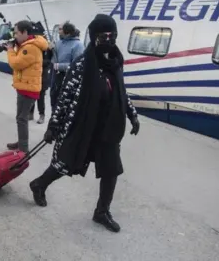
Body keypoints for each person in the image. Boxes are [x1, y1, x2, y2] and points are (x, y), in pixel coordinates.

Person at [29, 14, 140, 233]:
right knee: (65, 163)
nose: (109, 39)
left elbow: (121, 92)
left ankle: (101, 212)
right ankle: (39, 184)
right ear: (94, 37)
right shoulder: (82, 65)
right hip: (83, 126)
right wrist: (53, 126)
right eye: (103, 36)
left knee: (111, 170)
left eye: (112, 35)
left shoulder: (116, 62)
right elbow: (65, 97)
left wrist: (132, 115)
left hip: (108, 128)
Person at [6, 20, 48, 152]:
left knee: (21, 119)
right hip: (25, 86)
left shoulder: (31, 47)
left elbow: (16, 64)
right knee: (21, 118)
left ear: (25, 32)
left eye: (17, 33)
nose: (15, 35)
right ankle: (21, 142)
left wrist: (10, 50)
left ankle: (23, 149)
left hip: (28, 89)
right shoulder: (27, 44)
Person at [50, 21, 84, 109]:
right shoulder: (58, 43)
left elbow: (77, 65)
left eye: (61, 30)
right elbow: (53, 60)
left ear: (67, 33)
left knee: (64, 107)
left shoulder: (78, 45)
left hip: (69, 79)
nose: (59, 32)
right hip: (56, 80)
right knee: (54, 102)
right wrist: (50, 50)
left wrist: (59, 66)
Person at [29, 45, 53, 124]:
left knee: (40, 98)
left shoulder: (48, 49)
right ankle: (30, 114)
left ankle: (41, 115)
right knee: (31, 96)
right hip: (33, 75)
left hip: (43, 77)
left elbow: (49, 61)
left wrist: (37, 61)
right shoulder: (35, 48)